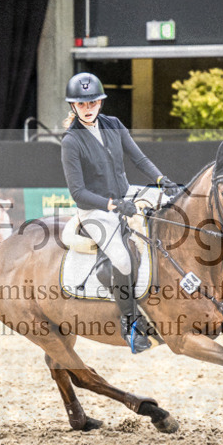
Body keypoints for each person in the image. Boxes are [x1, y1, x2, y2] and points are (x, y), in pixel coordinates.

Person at [60, 72, 178, 353]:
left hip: (127, 193)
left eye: (92, 103)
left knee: (171, 208)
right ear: (73, 107)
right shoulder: (71, 142)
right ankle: (131, 324)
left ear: (100, 102)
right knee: (123, 260)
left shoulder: (113, 125)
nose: (88, 109)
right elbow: (78, 192)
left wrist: (162, 181)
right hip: (96, 209)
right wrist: (114, 205)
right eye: (82, 105)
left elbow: (139, 158)